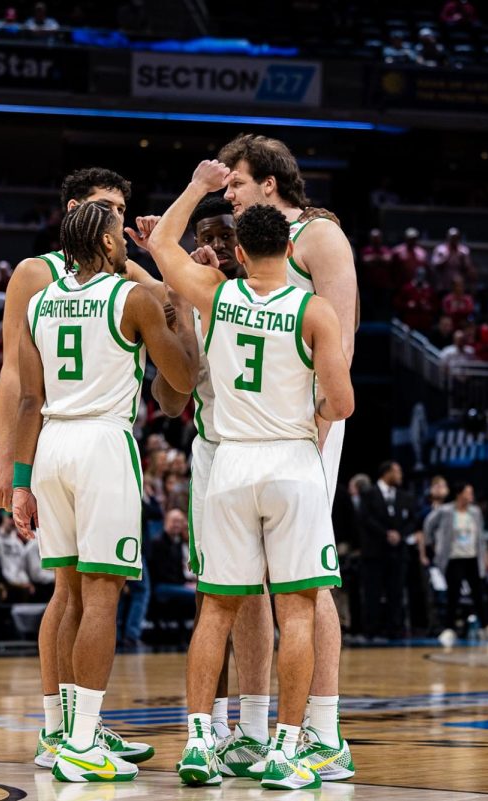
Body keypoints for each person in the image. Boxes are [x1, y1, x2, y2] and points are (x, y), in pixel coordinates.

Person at [145, 160, 351, 789]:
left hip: (229, 462)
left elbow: (157, 246)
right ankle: (287, 751)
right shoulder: (315, 311)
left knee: (216, 611)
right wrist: (311, 403)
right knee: (297, 609)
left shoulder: (218, 295)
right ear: (290, 248)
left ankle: (201, 742)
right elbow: (341, 404)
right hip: (290, 460)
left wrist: (197, 187)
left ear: (236, 248)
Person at [0, 167, 166, 771]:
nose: (118, 216)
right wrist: (5, 460)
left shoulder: (120, 274)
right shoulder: (35, 273)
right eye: (107, 208)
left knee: (78, 592)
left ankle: (73, 731)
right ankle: (63, 730)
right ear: (76, 210)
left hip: (62, 444)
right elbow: (14, 376)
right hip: (83, 443)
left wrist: (147, 254)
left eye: (122, 206)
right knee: (79, 593)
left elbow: (168, 302)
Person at [12, 197, 195, 783]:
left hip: (51, 448)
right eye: (120, 231)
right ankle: (85, 740)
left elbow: (26, 400)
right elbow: (183, 379)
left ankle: (62, 732)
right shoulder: (131, 297)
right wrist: (181, 309)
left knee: (66, 593)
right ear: (112, 245)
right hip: (101, 446)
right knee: (102, 596)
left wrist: (21, 481)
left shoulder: (38, 304)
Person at [215, 135, 359, 783]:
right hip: (248, 432)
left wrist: (321, 430)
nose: (229, 194)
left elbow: (343, 338)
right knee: (247, 580)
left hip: (304, 429)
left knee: (305, 581)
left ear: (270, 183)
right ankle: (252, 726)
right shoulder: (251, 246)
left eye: (237, 184)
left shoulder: (321, 236)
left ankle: (323, 732)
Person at [146, 196, 276, 760]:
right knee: (217, 593)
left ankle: (258, 725)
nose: (219, 246)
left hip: (272, 453)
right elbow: (170, 399)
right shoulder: (193, 300)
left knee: (272, 595)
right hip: (217, 453)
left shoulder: (282, 298)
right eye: (209, 237)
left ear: (247, 247)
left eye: (229, 236)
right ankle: (214, 726)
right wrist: (177, 314)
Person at [425, 482, 488, 646]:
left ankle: (486, 627)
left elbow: (480, 536)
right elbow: (428, 524)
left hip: (472, 557)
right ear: (459, 494)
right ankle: (449, 628)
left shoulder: (475, 512)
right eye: (468, 492)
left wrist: (485, 555)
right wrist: (433, 544)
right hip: (454, 557)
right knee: (453, 594)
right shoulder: (445, 511)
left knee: (478, 593)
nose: (471, 495)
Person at [358, 461, 414, 640]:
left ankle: (394, 629)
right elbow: (365, 519)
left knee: (395, 592)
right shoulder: (368, 494)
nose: (400, 476)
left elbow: (412, 520)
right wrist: (386, 534)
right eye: (397, 472)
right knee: (372, 592)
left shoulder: (405, 496)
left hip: (398, 553)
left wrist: (399, 534)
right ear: (387, 473)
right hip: (374, 552)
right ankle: (371, 630)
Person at [148, 508, 196, 606]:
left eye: (180, 521)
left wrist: (188, 582)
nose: (177, 524)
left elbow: (178, 571)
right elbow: (162, 574)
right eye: (174, 521)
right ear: (166, 521)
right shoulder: (157, 542)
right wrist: (184, 584)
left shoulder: (177, 542)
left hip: (175, 584)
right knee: (196, 594)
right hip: (161, 586)